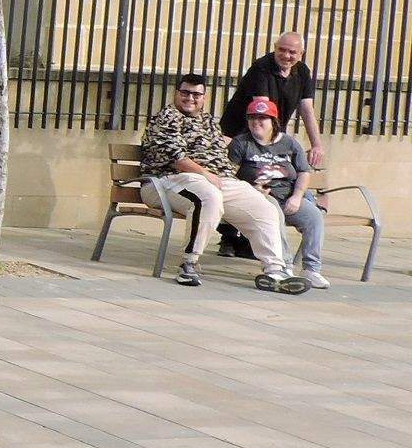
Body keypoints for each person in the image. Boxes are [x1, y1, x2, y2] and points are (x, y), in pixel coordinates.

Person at [138, 73, 305, 293]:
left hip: (215, 180)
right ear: (176, 94)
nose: (190, 98)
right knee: (208, 197)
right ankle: (189, 264)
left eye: (196, 94)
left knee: (263, 206)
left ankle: (274, 271)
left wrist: (246, 185)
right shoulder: (167, 117)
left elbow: (222, 156)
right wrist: (206, 174)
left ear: (204, 97)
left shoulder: (208, 121)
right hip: (166, 180)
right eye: (185, 93)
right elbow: (178, 159)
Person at [216, 33, 326, 258]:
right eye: (282, 50)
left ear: (301, 54)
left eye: (292, 52)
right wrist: (275, 145)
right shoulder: (262, 68)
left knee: (272, 181)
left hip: (271, 132)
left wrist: (316, 144)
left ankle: (252, 242)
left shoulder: (302, 72)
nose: (286, 55)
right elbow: (262, 110)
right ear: (275, 48)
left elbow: (307, 109)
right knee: (242, 178)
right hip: (242, 130)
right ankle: (229, 238)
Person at [230, 95, 328, 290]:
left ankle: (311, 269)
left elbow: (303, 172)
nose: (256, 122)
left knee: (314, 217)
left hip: (289, 196)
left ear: (273, 122)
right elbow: (229, 174)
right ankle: (284, 266)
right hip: (259, 198)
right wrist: (250, 190)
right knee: (273, 214)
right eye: (252, 118)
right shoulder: (241, 143)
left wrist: (297, 196)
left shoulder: (289, 144)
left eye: (262, 118)